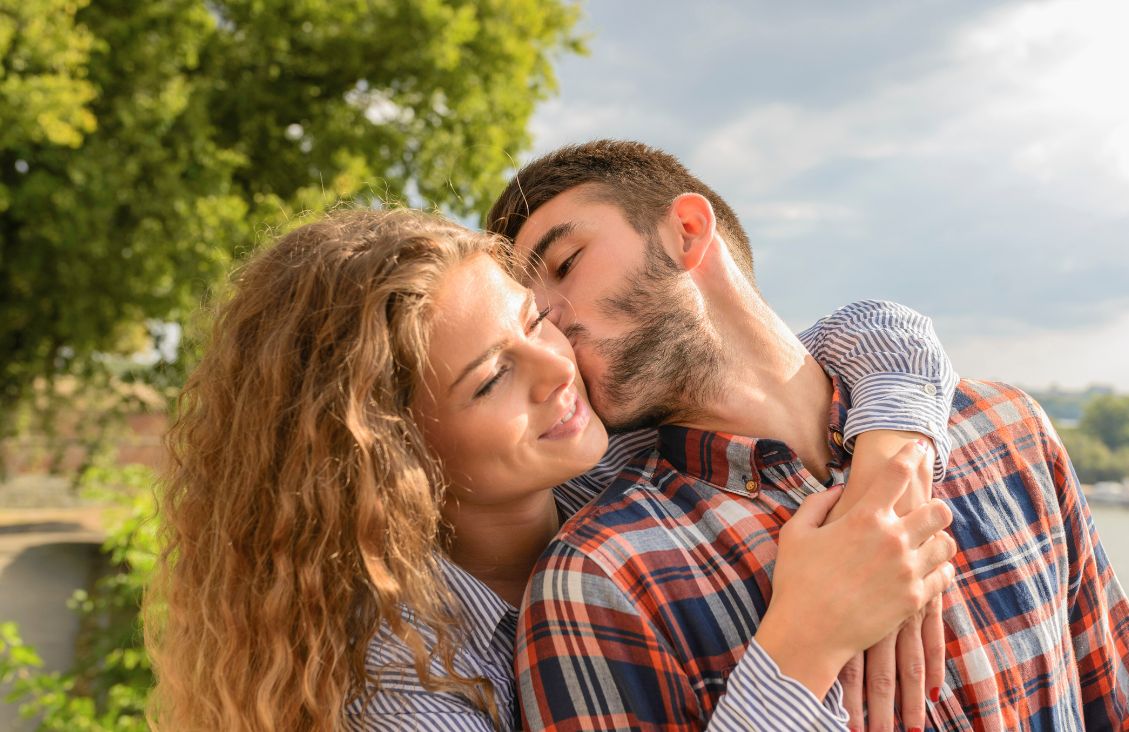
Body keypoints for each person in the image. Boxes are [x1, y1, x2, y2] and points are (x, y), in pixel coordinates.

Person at [145, 207, 962, 731]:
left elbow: (868, 335)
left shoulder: (613, 460)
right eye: (493, 378)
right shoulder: (398, 694)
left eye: (537, 318)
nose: (557, 367)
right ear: (391, 456)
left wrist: (890, 473)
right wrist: (802, 646)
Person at [485, 140, 1129, 731]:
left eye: (567, 263)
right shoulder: (599, 578)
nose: (552, 317)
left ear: (688, 233)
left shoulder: (1009, 431)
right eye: (530, 313)